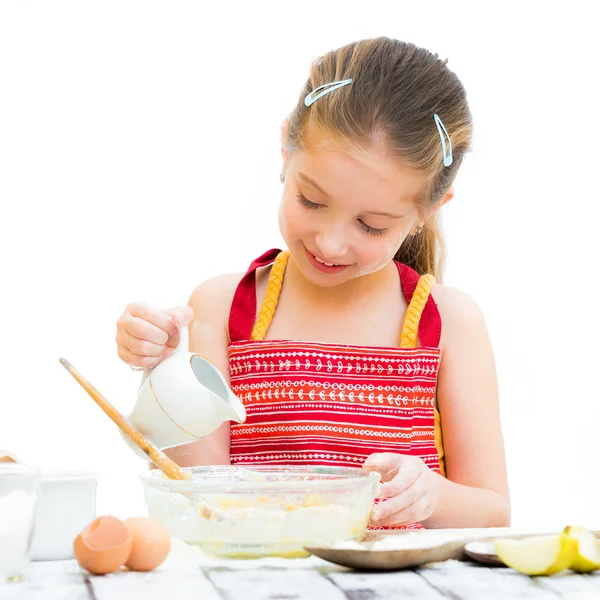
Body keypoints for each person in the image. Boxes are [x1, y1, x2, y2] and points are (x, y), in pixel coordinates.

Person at [116, 37, 510, 530]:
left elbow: (493, 510)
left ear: (429, 209)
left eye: (371, 226)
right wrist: (167, 371)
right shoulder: (223, 307)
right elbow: (201, 496)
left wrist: (430, 495)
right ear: (285, 148)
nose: (330, 243)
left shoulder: (450, 323)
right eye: (311, 200)